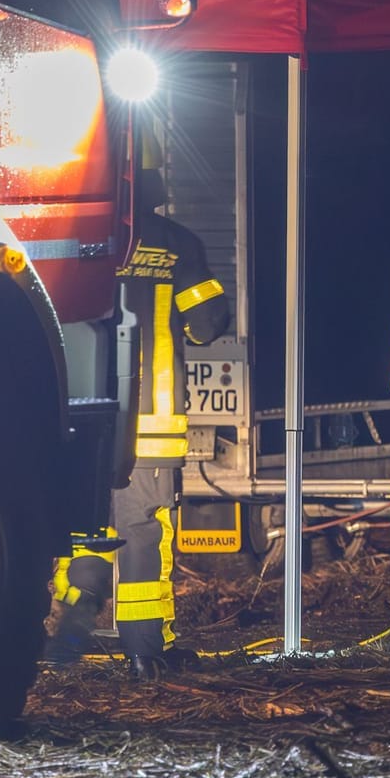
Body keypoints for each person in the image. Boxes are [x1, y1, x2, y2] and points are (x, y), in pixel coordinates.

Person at [46, 165, 231, 678]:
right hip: (151, 421)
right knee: (142, 532)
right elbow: (206, 325)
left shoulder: (73, 235)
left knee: (84, 527)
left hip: (80, 416)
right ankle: (144, 651)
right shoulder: (177, 245)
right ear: (157, 197)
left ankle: (71, 637)